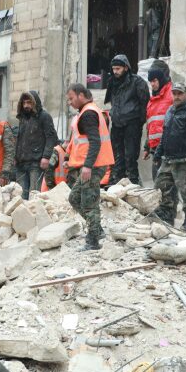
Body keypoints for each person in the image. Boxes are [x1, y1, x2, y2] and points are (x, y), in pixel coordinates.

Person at [65, 84, 114, 251]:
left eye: (71, 98)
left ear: (80, 95)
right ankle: (97, 229)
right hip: (92, 164)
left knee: (89, 203)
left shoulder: (88, 114)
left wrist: (87, 166)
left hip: (93, 165)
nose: (69, 102)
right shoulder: (88, 111)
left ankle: (93, 241)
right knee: (74, 197)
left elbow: (95, 142)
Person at [154, 81, 186, 232]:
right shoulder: (169, 111)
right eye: (175, 93)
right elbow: (165, 134)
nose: (177, 96)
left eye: (180, 93)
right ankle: (167, 218)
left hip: (184, 160)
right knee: (162, 187)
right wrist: (158, 152)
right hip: (168, 158)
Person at [104, 54, 149, 185]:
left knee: (130, 156)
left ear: (125, 67)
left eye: (118, 68)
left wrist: (138, 121)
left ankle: (133, 183)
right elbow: (113, 102)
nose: (115, 72)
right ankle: (116, 183)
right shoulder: (112, 82)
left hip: (132, 123)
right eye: (114, 69)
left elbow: (144, 103)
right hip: (117, 123)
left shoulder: (137, 82)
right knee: (117, 156)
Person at [14, 91, 58, 199]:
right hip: (21, 163)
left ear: (35, 102)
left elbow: (51, 137)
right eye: (24, 103)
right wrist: (15, 156)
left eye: (29, 102)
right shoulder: (23, 118)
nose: (26, 106)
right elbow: (19, 139)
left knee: (35, 195)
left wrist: (46, 156)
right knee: (20, 197)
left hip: (36, 163)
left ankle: (34, 216)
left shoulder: (44, 116)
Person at [143, 66, 175, 183]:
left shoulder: (172, 94)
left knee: (167, 183)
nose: (152, 84)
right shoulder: (152, 100)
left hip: (170, 147)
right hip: (156, 149)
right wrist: (147, 147)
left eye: (155, 81)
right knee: (157, 182)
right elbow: (150, 126)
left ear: (161, 80)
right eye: (150, 81)